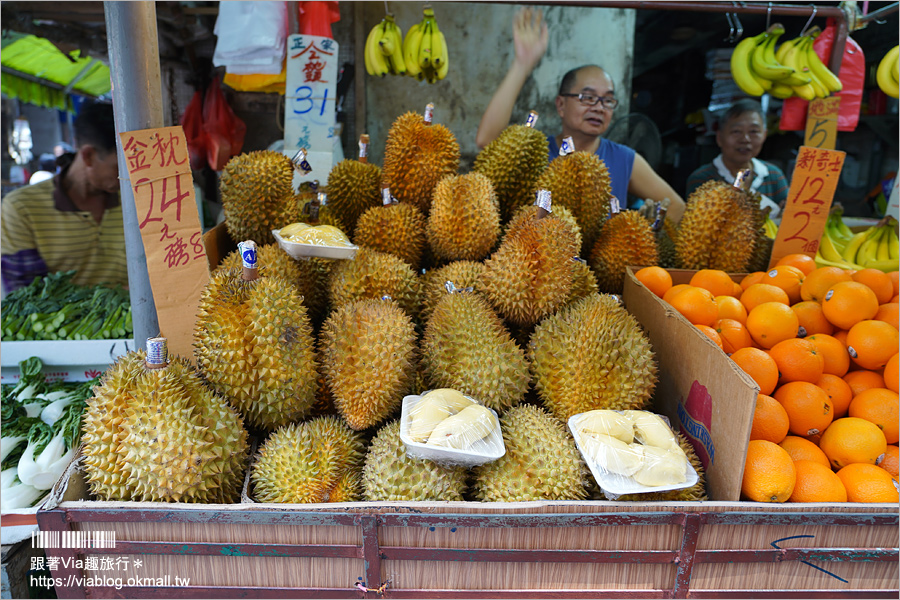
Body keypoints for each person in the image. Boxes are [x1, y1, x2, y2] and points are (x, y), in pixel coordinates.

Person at [475, 7, 685, 224]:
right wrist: (522, 65)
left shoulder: (625, 160)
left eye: (608, 100)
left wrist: (641, 231)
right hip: (538, 255)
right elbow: (486, 140)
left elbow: (677, 207)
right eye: (587, 97)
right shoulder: (534, 153)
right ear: (561, 105)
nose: (599, 107)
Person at [1, 102, 127, 293]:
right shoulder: (21, 208)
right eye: (121, 167)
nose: (130, 176)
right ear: (88, 156)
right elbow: (25, 296)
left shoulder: (138, 200)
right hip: (66, 323)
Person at [685, 99, 789, 217]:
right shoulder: (702, 179)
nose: (745, 139)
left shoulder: (773, 174)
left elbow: (785, 213)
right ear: (719, 137)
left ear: (764, 135)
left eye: (754, 131)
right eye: (736, 131)